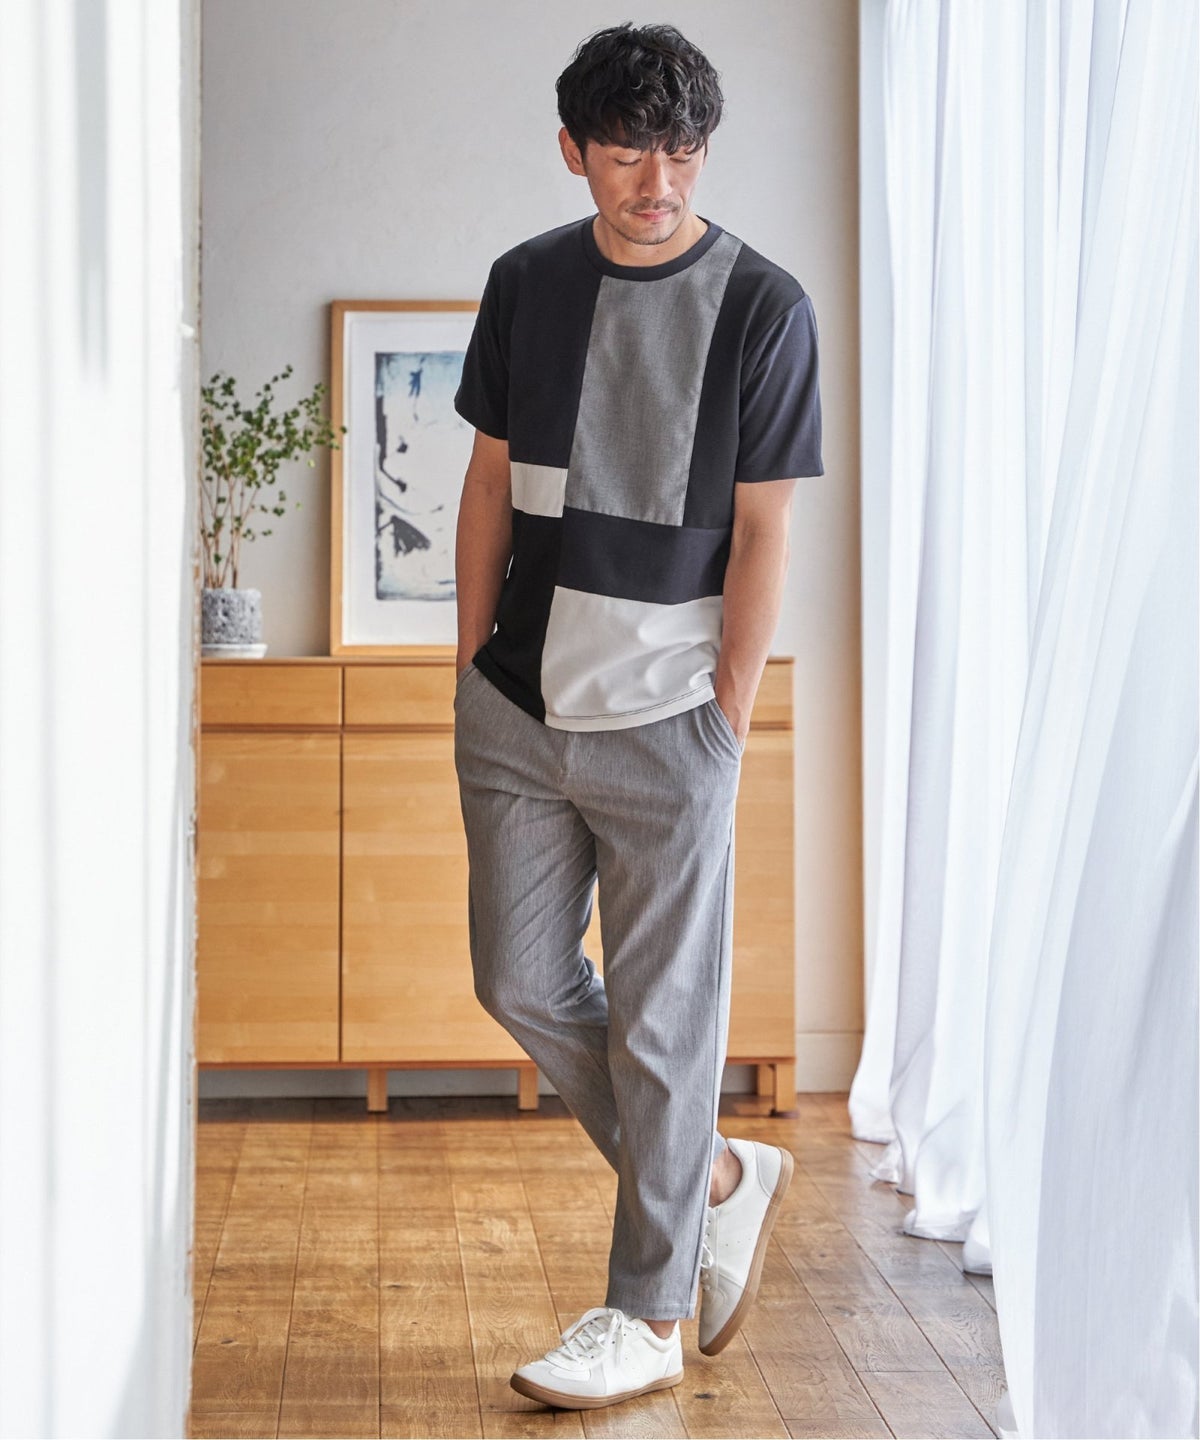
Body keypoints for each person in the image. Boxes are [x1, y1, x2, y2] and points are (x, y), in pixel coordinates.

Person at [451, 20, 824, 1412]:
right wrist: (471, 660)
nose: (658, 181)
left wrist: (724, 715)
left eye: (680, 150)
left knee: (668, 1029)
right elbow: (489, 480)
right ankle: (718, 1174)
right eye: (626, 152)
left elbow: (764, 532)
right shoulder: (526, 284)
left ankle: (648, 1314)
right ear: (574, 152)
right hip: (518, 706)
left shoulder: (765, 307)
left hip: (671, 716)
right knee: (518, 979)